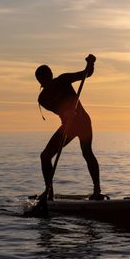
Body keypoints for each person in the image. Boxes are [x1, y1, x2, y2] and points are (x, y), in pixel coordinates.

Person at [35, 54, 104, 201]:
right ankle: (49, 192)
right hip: (68, 126)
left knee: (87, 152)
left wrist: (91, 63)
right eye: (43, 79)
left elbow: (87, 74)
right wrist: (66, 112)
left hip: (83, 122)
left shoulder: (63, 79)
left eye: (47, 77)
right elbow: (58, 109)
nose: (46, 81)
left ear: (51, 75)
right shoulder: (42, 98)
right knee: (45, 156)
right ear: (40, 81)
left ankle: (97, 190)